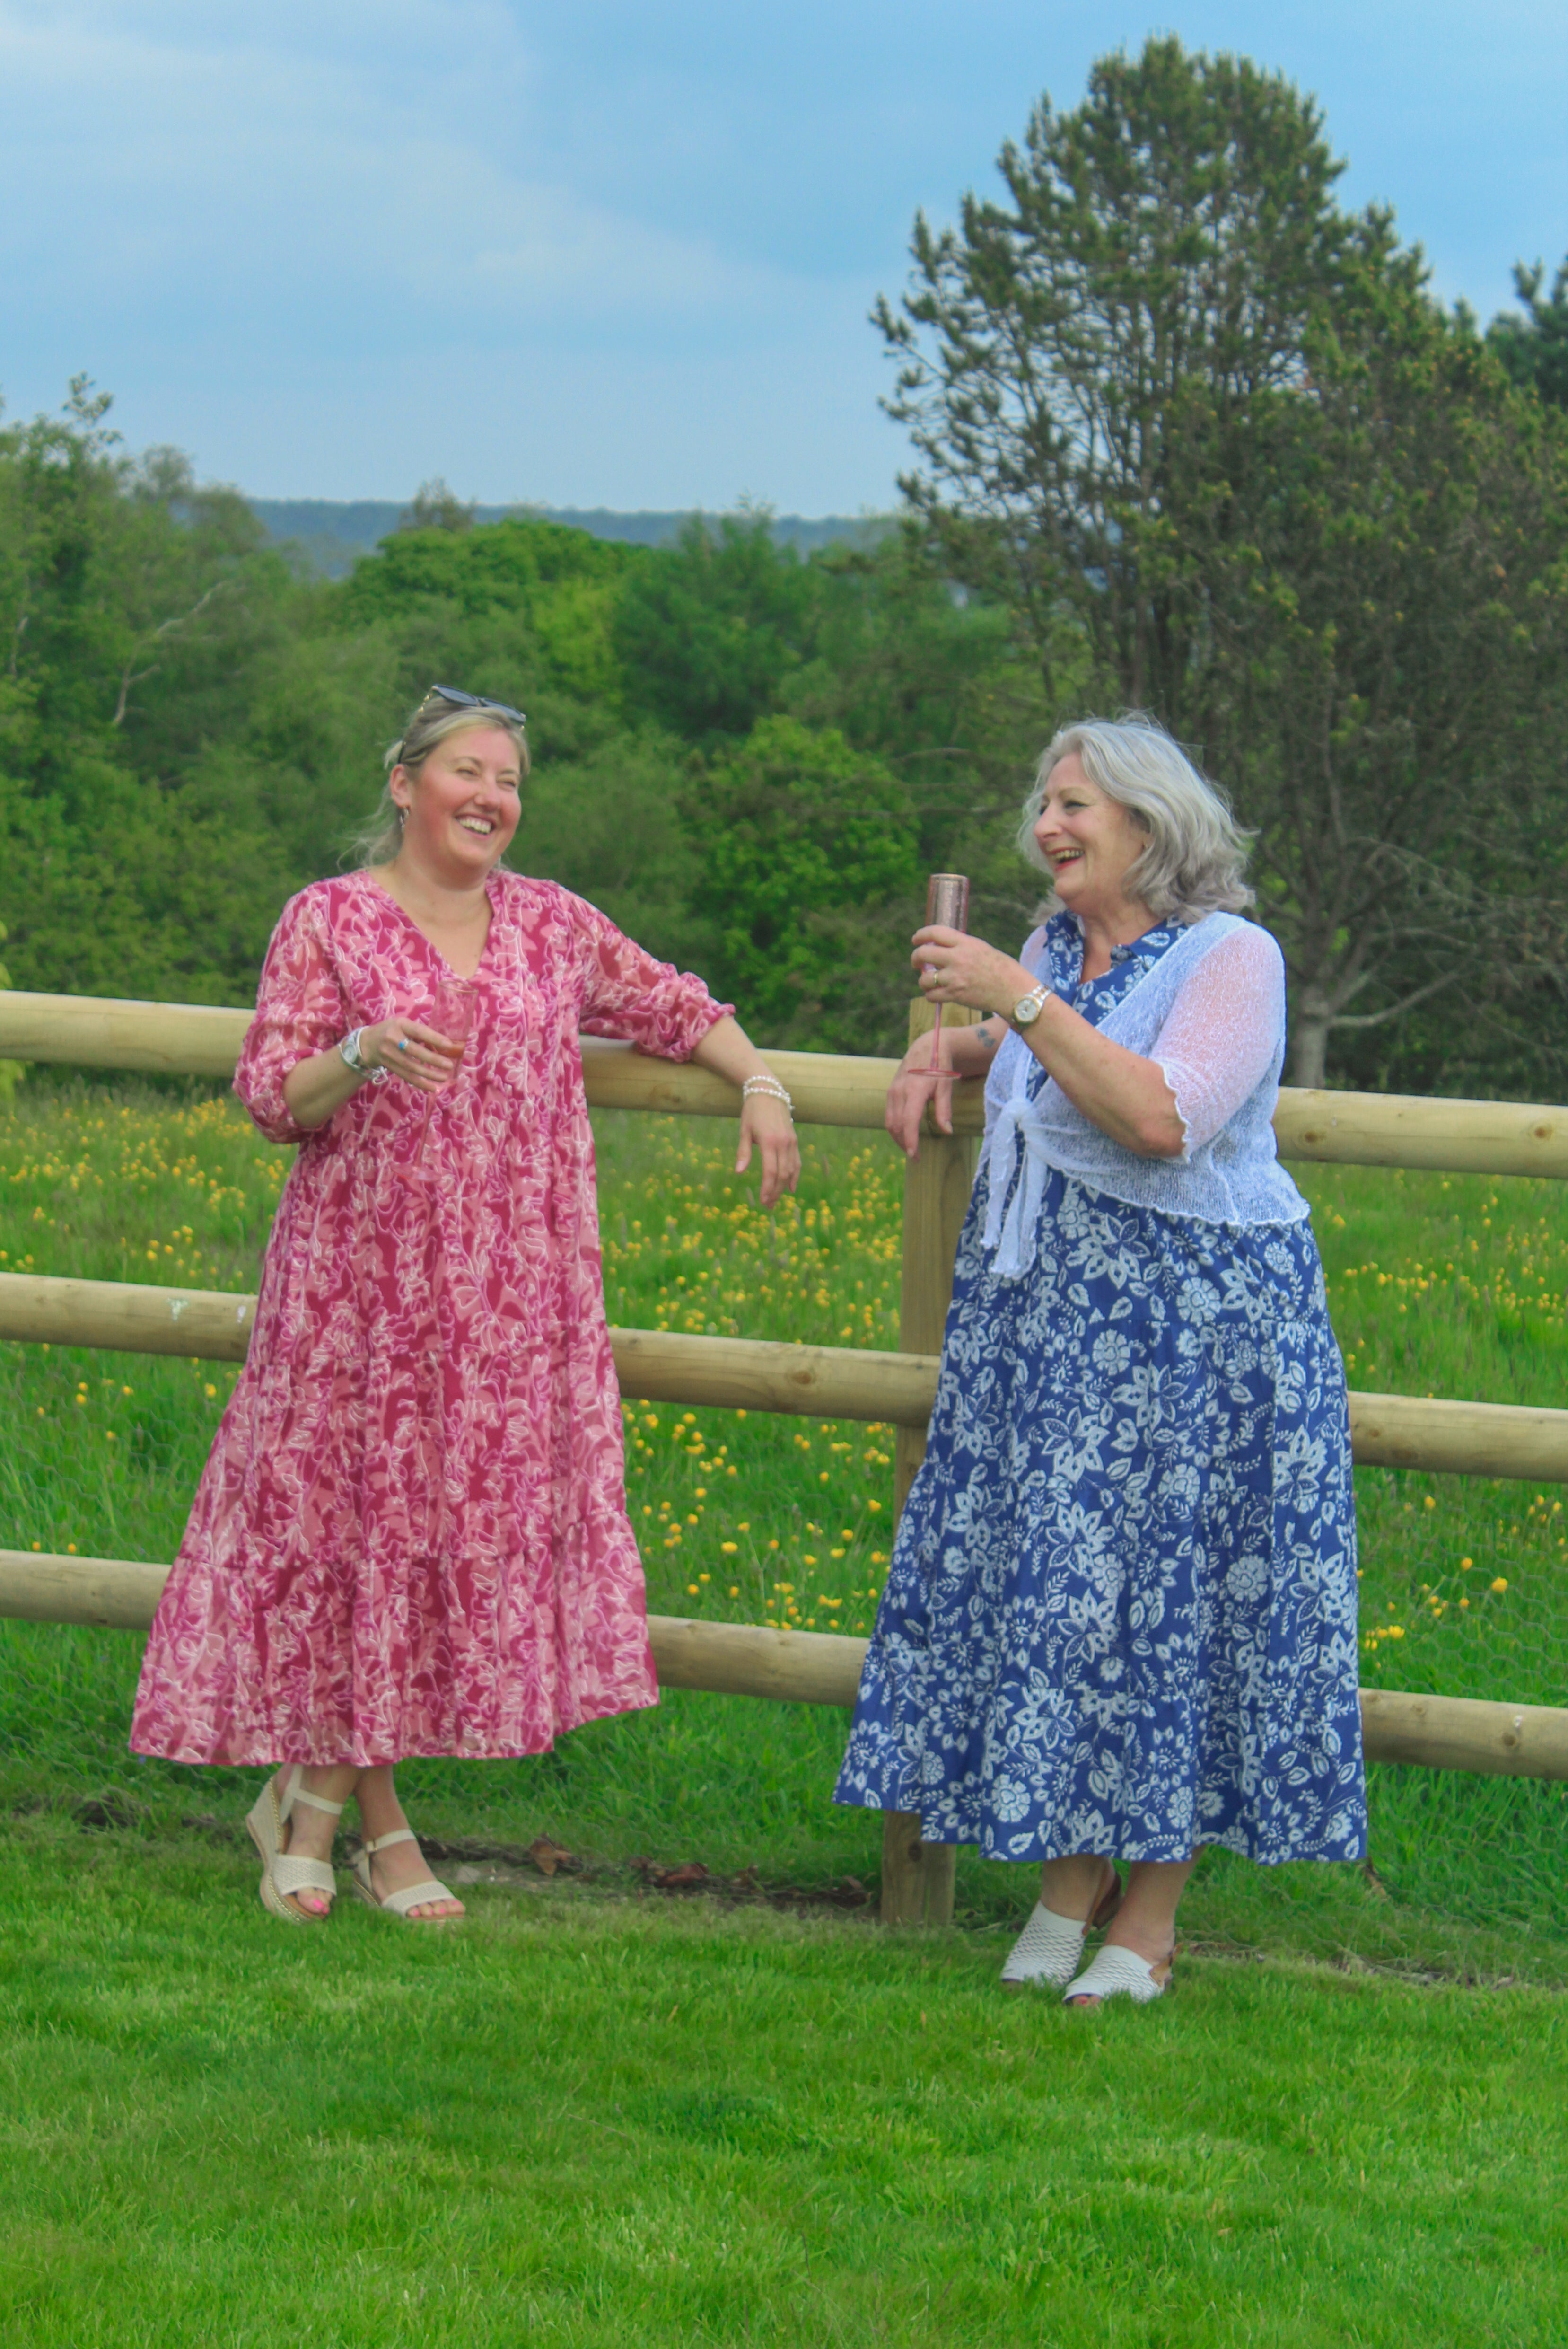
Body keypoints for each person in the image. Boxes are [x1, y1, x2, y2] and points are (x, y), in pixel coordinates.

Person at [131, 686, 799, 1924]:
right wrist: (368, 1048)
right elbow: (275, 1096)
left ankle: (321, 1808)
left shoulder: (549, 924)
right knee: (351, 1540)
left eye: (511, 781)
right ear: (404, 784)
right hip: (355, 1297)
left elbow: (675, 1004)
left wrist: (760, 1082)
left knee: (426, 1546)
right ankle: (348, 1821)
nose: (494, 797)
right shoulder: (326, 918)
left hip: (507, 1307)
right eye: (468, 772)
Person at [835, 713, 1364, 2005]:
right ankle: (1070, 1884)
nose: (1048, 826)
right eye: (1044, 804)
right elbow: (1047, 1051)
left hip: (1196, 1338)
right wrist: (947, 1046)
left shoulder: (1237, 955)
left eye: (1075, 804)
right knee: (1071, 1603)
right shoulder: (1055, 953)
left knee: (1180, 1604)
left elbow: (1159, 1112)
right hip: (1058, 1330)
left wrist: (1010, 1003)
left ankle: (1153, 1912)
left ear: (1148, 822)